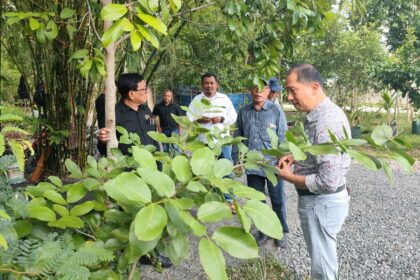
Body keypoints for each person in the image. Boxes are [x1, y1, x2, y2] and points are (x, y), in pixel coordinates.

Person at [276, 63, 351, 279]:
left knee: (323, 268)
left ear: (314, 87)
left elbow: (327, 181)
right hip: (322, 203)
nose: (289, 97)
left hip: (321, 203)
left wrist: (288, 177)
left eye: (293, 90)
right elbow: (318, 152)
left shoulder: (326, 121)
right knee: (322, 259)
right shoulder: (321, 114)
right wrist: (294, 156)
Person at [97, 73, 172, 268]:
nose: (146, 91)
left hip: (152, 170)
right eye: (143, 89)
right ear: (131, 93)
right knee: (132, 214)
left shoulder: (145, 109)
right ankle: (132, 252)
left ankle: (151, 253)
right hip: (130, 175)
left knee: (152, 213)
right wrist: (102, 138)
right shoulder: (115, 115)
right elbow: (106, 149)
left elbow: (153, 135)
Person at [233, 81, 290, 248]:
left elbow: (283, 137)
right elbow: (238, 137)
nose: (258, 92)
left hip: (273, 166)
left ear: (268, 90)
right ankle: (263, 232)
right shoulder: (243, 112)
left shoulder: (275, 110)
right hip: (252, 166)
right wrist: (237, 161)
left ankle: (280, 232)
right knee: (258, 202)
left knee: (278, 200)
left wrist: (283, 161)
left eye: (263, 88)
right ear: (250, 90)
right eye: (254, 88)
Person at [187, 72, 237, 212]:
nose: (209, 85)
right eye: (206, 83)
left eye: (211, 83)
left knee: (226, 169)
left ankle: (230, 200)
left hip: (222, 141)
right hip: (204, 142)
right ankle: (212, 200)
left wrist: (221, 119)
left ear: (216, 84)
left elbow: (233, 116)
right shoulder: (197, 100)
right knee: (206, 171)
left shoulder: (224, 99)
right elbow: (188, 116)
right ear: (202, 85)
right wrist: (199, 119)